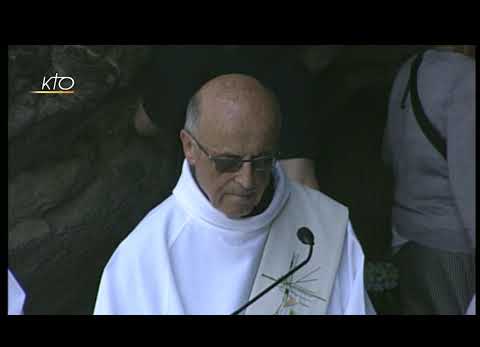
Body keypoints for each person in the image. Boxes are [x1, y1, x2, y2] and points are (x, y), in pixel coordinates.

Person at [94, 74, 374, 315]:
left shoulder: (322, 228)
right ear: (189, 147)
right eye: (228, 162)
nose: (247, 180)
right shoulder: (146, 256)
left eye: (263, 161)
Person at [134, 45, 319, 190]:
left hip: (201, 198)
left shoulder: (182, 58)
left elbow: (144, 124)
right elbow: (301, 180)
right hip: (261, 208)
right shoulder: (287, 71)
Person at [382, 46, 475, 314]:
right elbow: (468, 174)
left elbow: (388, 153)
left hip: (406, 235)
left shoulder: (408, 69)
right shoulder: (466, 76)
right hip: (451, 243)